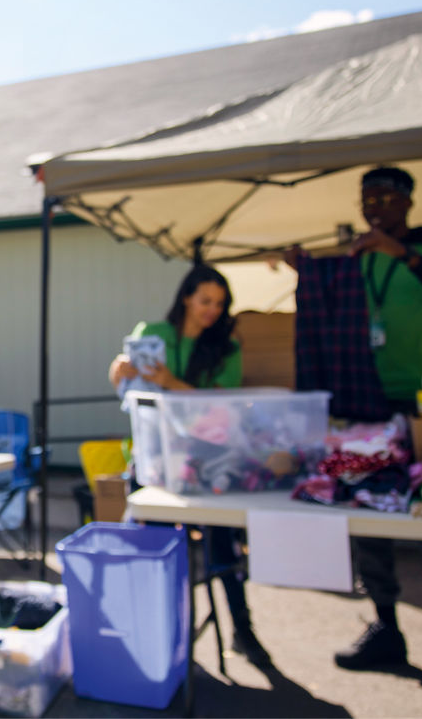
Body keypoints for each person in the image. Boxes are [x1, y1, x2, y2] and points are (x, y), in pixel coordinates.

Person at [286, 165, 422, 695]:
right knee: (367, 512)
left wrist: (406, 256)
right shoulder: (355, 258)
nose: (376, 206)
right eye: (367, 198)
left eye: (387, 197)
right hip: (364, 402)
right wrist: (307, 271)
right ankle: (386, 624)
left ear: (408, 203)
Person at [107, 264, 271, 669]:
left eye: (220, 303)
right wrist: (117, 372)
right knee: (156, 554)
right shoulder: (153, 334)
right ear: (186, 298)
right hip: (156, 464)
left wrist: (169, 381)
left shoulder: (227, 348)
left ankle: (243, 631)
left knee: (223, 553)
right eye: (205, 301)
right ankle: (159, 634)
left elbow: (224, 406)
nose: (212, 310)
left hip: (209, 465)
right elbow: (130, 393)